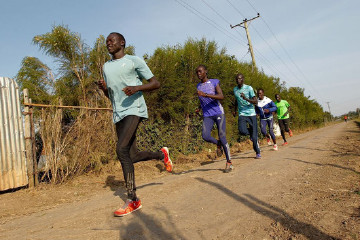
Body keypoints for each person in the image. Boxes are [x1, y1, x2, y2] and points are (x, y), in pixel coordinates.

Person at [97, 32, 173, 217]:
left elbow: (155, 83)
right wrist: (105, 89)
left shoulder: (133, 61)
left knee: (121, 150)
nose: (108, 44)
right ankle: (161, 154)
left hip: (134, 109)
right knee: (132, 155)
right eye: (106, 42)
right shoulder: (106, 67)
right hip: (118, 114)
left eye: (111, 41)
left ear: (122, 43)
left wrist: (136, 88)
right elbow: (112, 97)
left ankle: (132, 199)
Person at [195, 65, 233, 173]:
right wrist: (198, 108)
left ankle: (229, 162)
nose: (198, 73)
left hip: (218, 112)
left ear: (205, 72)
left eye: (200, 71)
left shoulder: (214, 82)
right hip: (207, 114)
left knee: (222, 136)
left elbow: (221, 96)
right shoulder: (198, 86)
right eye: (197, 72)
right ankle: (218, 143)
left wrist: (206, 95)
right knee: (205, 136)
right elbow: (202, 99)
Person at [233, 73, 261, 159]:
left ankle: (257, 152)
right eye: (237, 79)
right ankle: (251, 134)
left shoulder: (249, 88)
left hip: (251, 113)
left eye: (240, 79)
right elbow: (236, 100)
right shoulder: (235, 89)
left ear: (243, 79)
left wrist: (246, 99)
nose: (238, 80)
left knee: (255, 138)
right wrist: (234, 110)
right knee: (242, 131)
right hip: (242, 113)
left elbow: (255, 101)